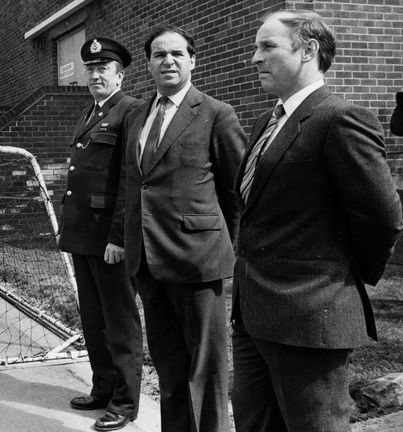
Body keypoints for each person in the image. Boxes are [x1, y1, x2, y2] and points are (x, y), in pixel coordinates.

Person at [231, 11, 403, 432]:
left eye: (267, 46)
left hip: (309, 315)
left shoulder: (340, 118)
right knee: (255, 422)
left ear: (308, 49)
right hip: (252, 312)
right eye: (256, 47)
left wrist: (335, 279)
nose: (254, 58)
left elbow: (382, 217)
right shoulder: (266, 121)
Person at [123, 25, 246, 432]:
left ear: (193, 60)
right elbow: (135, 184)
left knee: (206, 370)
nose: (168, 61)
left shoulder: (216, 113)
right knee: (169, 365)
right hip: (148, 261)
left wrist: (227, 251)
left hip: (198, 263)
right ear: (148, 64)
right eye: (159, 55)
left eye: (177, 54)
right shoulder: (137, 115)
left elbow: (237, 194)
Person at [58, 37, 144, 432]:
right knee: (94, 319)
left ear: (120, 75)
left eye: (103, 69)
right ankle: (103, 387)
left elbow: (130, 180)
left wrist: (119, 237)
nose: (95, 75)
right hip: (82, 234)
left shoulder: (130, 112)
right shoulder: (89, 112)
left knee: (119, 321)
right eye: (90, 69)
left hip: (108, 238)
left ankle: (125, 403)